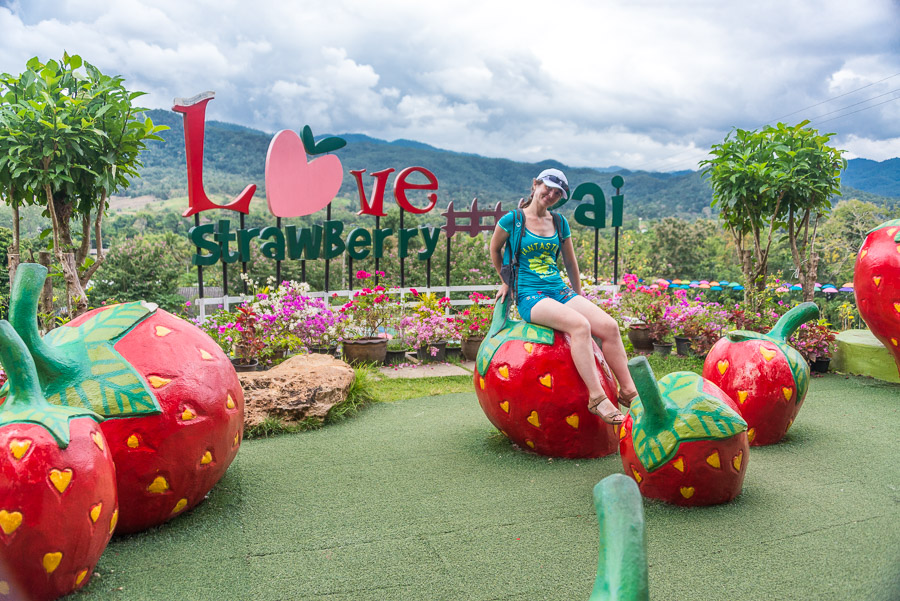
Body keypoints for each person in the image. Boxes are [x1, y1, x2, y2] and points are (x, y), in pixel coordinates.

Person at [489, 168, 638, 425]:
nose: (552, 194)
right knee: (580, 326)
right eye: (548, 188)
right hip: (530, 296)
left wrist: (578, 299)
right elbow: (494, 248)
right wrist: (505, 282)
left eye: (558, 193)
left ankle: (628, 392)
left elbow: (570, 263)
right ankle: (597, 397)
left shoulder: (559, 222)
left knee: (610, 327)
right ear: (535, 185)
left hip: (559, 291)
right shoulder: (512, 220)